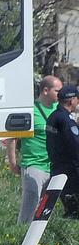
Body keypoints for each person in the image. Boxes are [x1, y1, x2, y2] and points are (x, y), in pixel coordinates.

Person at [7, 75, 62, 222]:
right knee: (31, 205)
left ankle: (39, 239)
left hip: (53, 166)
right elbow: (13, 137)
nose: (61, 94)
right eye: (58, 91)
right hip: (34, 164)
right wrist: (12, 163)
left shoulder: (60, 110)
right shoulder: (30, 110)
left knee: (46, 208)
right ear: (45, 90)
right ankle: (21, 235)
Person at [44, 84, 79, 218]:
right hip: (71, 171)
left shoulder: (53, 116)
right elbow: (75, 145)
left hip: (58, 167)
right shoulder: (65, 120)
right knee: (74, 211)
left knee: (71, 208)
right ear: (71, 100)